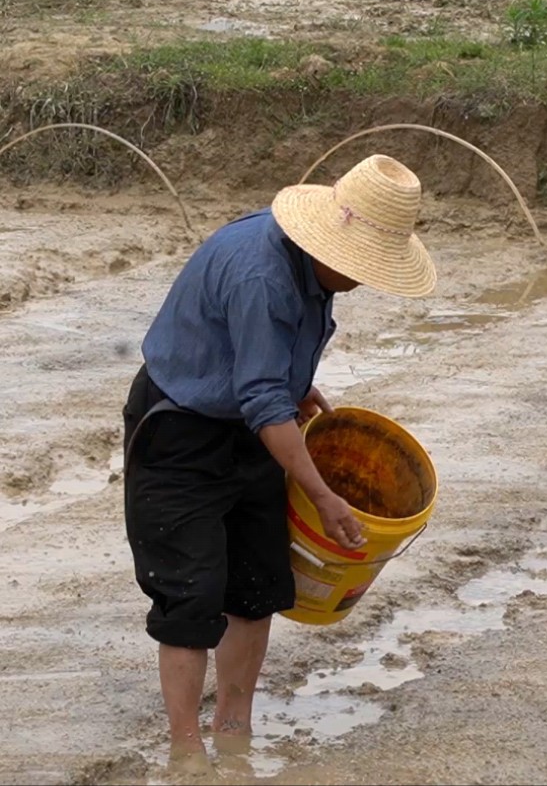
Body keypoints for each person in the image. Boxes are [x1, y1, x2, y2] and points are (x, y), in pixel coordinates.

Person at [122, 154, 437, 766]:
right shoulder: (262, 277)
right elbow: (263, 401)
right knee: (190, 594)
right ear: (331, 245)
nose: (362, 279)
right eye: (359, 269)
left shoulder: (308, 268)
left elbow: (266, 382)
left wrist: (296, 383)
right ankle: (186, 750)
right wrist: (323, 496)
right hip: (180, 431)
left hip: (250, 423)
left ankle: (234, 726)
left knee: (257, 583)